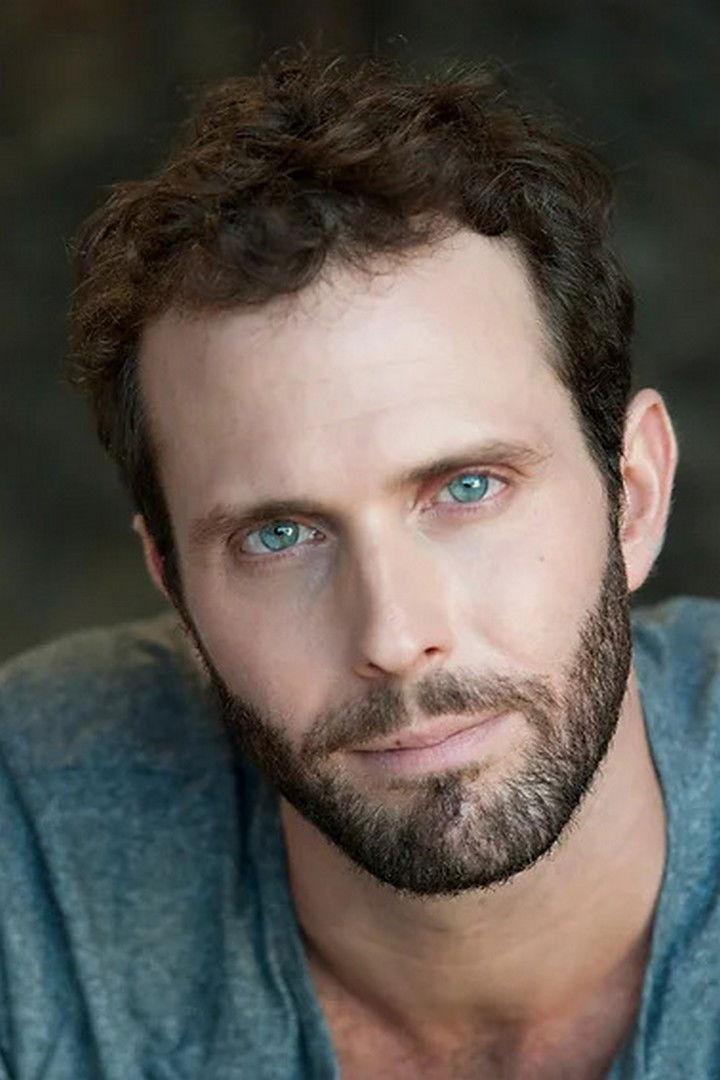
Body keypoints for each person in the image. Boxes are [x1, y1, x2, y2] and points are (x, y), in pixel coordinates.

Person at [1, 48, 718, 1080]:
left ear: (634, 494)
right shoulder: (30, 836)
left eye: (467, 488)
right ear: (173, 583)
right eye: (279, 536)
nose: (392, 636)